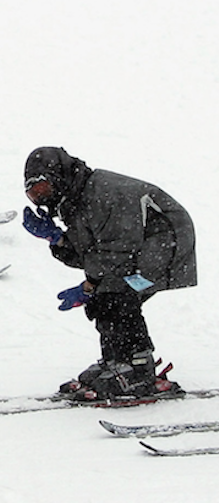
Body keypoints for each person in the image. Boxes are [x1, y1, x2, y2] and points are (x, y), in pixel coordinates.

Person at [21, 146, 197, 400]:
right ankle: (117, 361)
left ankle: (138, 368)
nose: (42, 199)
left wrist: (90, 285)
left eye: (43, 189)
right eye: (34, 195)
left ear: (59, 177)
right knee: (105, 297)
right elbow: (90, 254)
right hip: (138, 250)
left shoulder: (104, 193)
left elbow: (118, 252)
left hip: (165, 243)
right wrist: (56, 239)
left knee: (117, 294)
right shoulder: (76, 201)